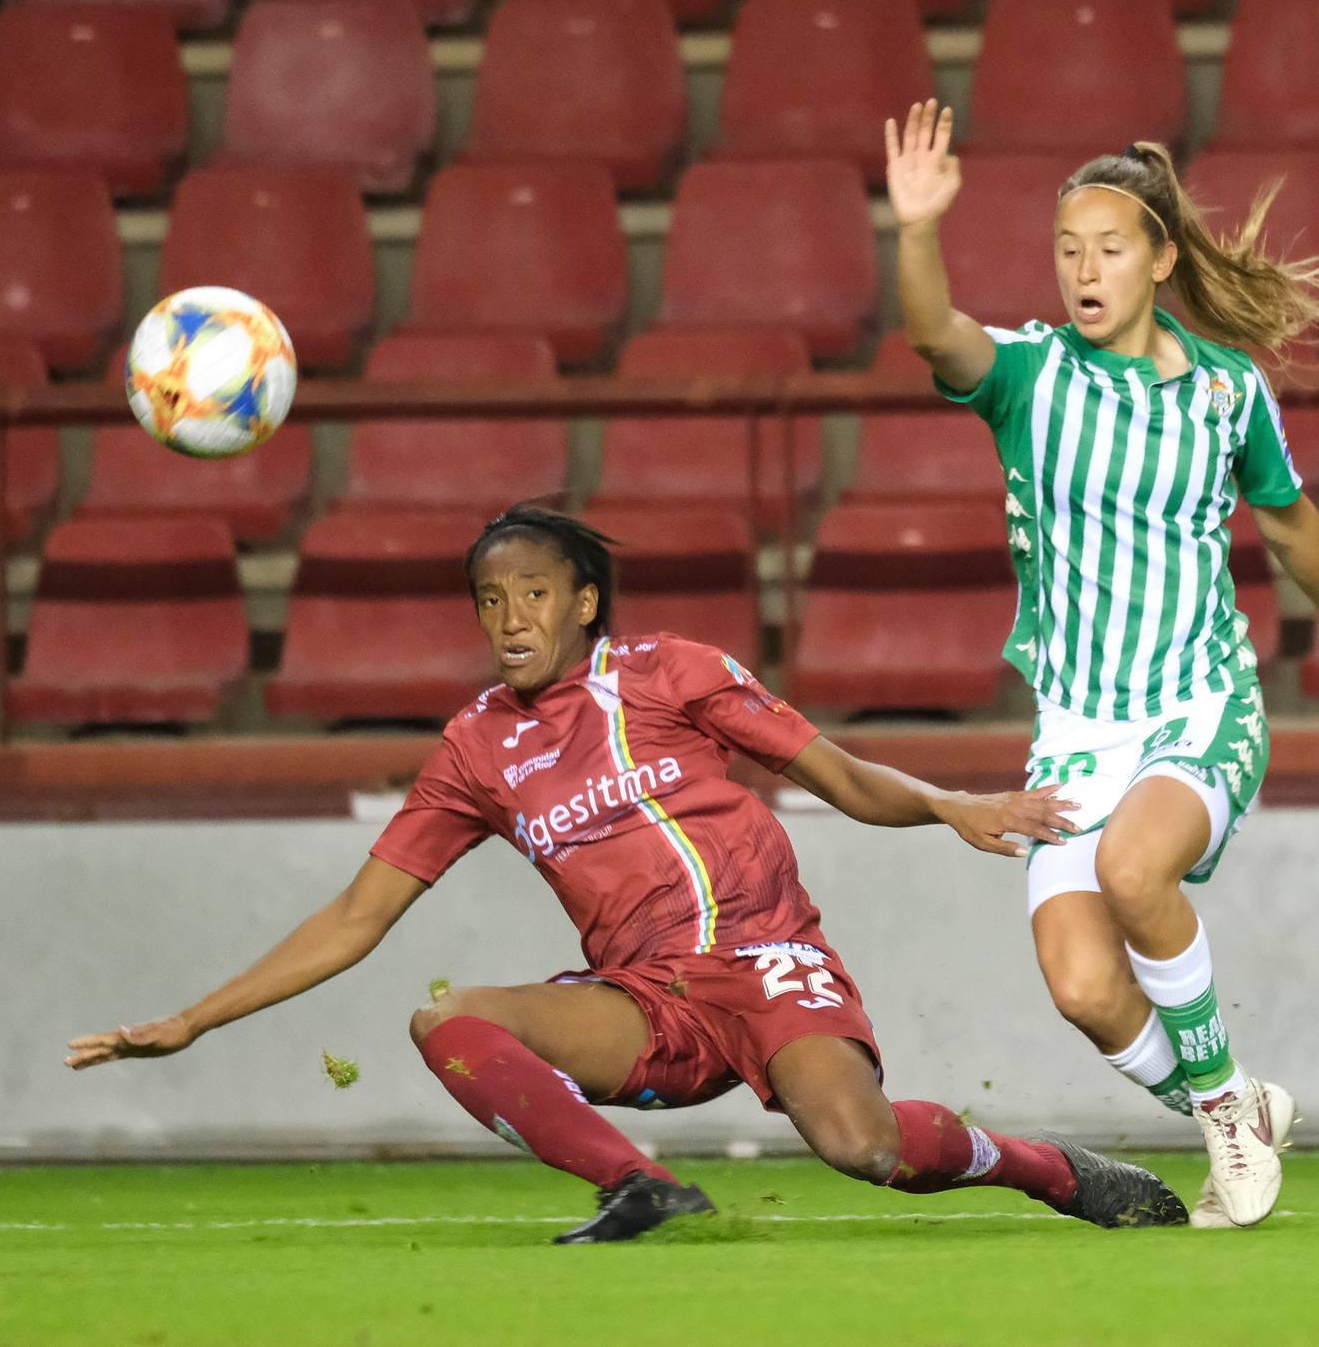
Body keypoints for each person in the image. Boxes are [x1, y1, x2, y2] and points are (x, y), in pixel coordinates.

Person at [65, 506, 1189, 1243]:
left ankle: (1046, 1169)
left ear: (584, 601)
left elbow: (836, 774)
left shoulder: (670, 673)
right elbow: (360, 915)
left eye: (534, 595)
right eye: (490, 601)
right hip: (647, 999)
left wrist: (947, 805)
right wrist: (192, 1020)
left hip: (767, 959)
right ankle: (636, 1184)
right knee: (447, 1022)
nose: (511, 619)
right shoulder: (473, 750)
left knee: (865, 1149)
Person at [884, 100, 1319, 1229]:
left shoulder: (1227, 390)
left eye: (1109, 247)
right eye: (1066, 250)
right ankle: (1234, 1102)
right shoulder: (1029, 378)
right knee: (1083, 991)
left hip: (1199, 702)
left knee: (1137, 875)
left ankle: (1226, 1130)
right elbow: (938, 335)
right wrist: (916, 230)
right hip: (1076, 730)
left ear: (1161, 258)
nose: (1084, 269)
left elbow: (1283, 523)